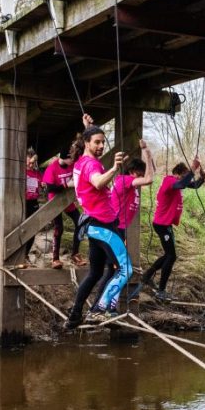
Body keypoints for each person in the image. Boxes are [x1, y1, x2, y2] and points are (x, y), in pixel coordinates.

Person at [64, 121, 132, 329]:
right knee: (125, 268)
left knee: (96, 272)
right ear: (86, 143)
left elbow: (91, 180)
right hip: (103, 225)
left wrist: (89, 126)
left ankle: (75, 315)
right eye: (97, 142)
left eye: (103, 142)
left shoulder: (80, 162)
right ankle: (99, 311)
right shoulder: (91, 164)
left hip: (93, 226)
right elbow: (97, 182)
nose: (101, 146)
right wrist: (114, 168)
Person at [91, 140, 156, 306]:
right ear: (133, 172)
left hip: (120, 230)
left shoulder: (130, 183)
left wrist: (147, 157)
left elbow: (150, 173)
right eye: (139, 174)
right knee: (115, 270)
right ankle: (101, 304)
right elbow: (149, 179)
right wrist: (146, 151)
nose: (141, 178)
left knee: (115, 270)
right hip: (115, 230)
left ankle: (105, 304)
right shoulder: (124, 180)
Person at [135, 157, 205, 301]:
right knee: (171, 256)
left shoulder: (177, 182)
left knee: (169, 255)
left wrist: (202, 177)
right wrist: (193, 168)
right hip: (161, 224)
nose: (187, 179)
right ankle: (160, 290)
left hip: (165, 224)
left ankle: (147, 276)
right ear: (178, 174)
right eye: (185, 175)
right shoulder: (169, 181)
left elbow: (192, 185)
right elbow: (182, 184)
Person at [41, 145, 86, 269]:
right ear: (64, 158)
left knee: (80, 223)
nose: (73, 160)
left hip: (68, 201)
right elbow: (50, 188)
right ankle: (55, 259)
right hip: (55, 202)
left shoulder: (73, 164)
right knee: (59, 229)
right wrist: (67, 185)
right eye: (71, 158)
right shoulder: (52, 169)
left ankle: (75, 254)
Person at [18, 148, 43, 268]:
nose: (30, 165)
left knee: (32, 230)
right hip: (22, 203)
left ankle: (25, 255)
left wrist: (44, 185)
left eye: (33, 163)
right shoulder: (20, 172)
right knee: (22, 229)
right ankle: (19, 255)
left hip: (34, 202)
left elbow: (43, 184)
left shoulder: (37, 173)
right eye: (28, 162)